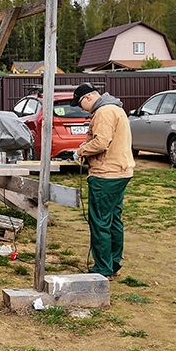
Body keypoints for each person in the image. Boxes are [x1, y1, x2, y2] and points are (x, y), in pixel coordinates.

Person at [72, 82, 135, 279]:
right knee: (114, 220)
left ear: (89, 98)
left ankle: (103, 268)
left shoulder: (103, 112)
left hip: (106, 174)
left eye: (80, 103)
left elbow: (101, 142)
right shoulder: (115, 108)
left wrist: (80, 151)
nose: (81, 108)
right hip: (121, 171)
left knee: (100, 221)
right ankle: (114, 263)